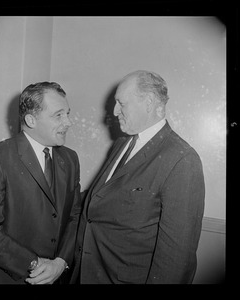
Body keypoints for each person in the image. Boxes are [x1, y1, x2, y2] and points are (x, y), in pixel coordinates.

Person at [70, 70, 205, 284]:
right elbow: (101, 201)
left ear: (149, 102)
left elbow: (176, 260)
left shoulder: (182, 159)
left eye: (121, 103)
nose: (115, 112)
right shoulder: (122, 144)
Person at [0, 81, 82, 284]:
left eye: (67, 113)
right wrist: (34, 264)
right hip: (9, 276)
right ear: (31, 120)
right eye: (59, 115)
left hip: (57, 274)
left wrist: (61, 262)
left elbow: (75, 216)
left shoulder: (71, 158)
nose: (68, 122)